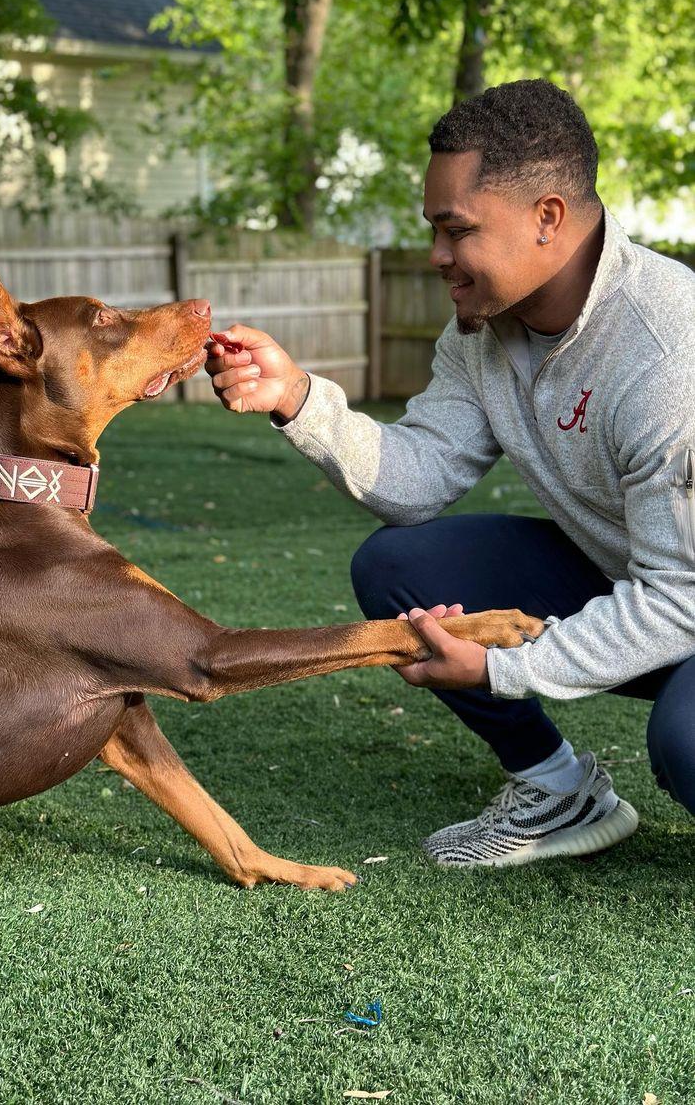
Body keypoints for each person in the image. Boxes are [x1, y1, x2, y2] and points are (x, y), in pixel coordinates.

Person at [204, 79, 695, 868]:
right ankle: (559, 790)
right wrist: (298, 400)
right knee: (400, 567)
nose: (436, 258)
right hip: (644, 579)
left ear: (546, 218)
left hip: (683, 598)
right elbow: (418, 477)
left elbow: (681, 600)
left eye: (454, 230)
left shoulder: (670, 356)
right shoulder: (481, 331)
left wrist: (502, 668)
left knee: (686, 741)